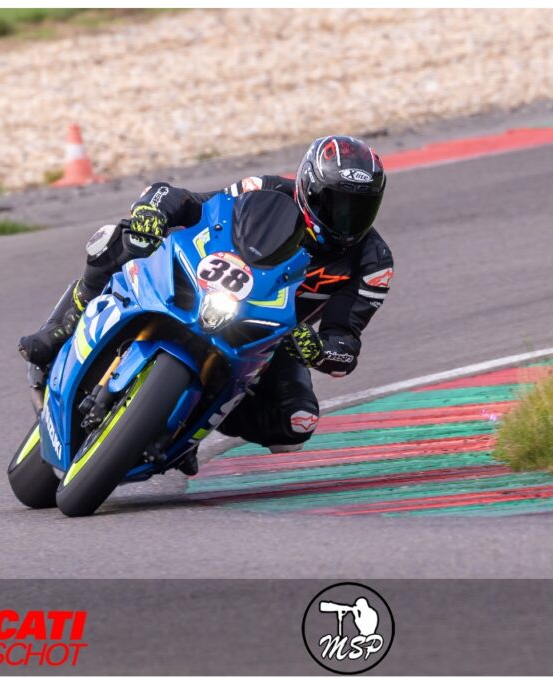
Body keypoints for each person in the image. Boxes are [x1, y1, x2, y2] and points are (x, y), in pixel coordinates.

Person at [19, 135, 394, 472]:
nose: (347, 220)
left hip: (275, 337)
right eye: (336, 204)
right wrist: (152, 211)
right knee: (118, 238)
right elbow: (192, 203)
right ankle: (63, 325)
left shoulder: (374, 263)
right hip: (207, 283)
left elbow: (345, 341)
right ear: (310, 188)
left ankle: (190, 428)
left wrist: (318, 349)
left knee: (296, 423)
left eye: (360, 209)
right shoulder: (264, 189)